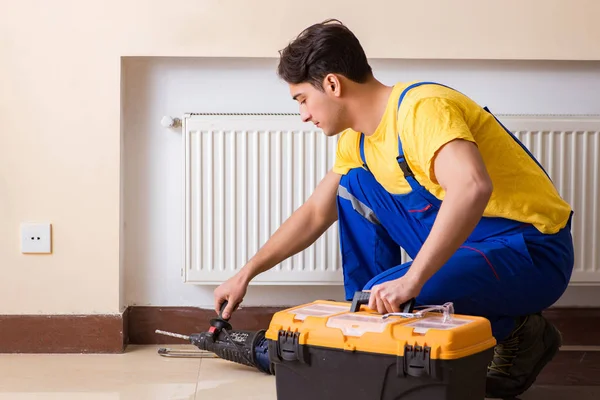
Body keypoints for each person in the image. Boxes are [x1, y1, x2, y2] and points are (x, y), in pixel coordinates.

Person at [213, 19, 574, 399]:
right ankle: (364, 333)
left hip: (532, 250)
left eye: (302, 99)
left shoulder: (423, 109)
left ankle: (518, 331)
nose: (303, 114)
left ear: (333, 84)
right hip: (474, 244)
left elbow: (472, 187)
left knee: (381, 295)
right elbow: (315, 213)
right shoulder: (358, 141)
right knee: (353, 186)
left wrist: (411, 281)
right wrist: (245, 274)